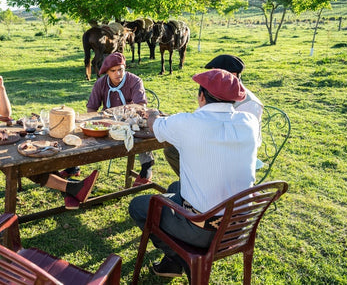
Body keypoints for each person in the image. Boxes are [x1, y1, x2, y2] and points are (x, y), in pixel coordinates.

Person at [129, 69, 260, 279]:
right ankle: (173, 263)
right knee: (174, 188)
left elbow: (155, 125)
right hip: (241, 225)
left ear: (201, 96)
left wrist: (153, 113)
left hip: (204, 230)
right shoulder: (250, 123)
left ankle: (183, 260)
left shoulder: (187, 123)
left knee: (137, 206)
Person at [0, 52, 98, 210]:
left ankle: (71, 189)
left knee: (30, 148)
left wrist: (0, 88)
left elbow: (5, 113)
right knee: (19, 157)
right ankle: (71, 189)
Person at [163, 54, 264, 176]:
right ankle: (193, 182)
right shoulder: (215, 93)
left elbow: (237, 138)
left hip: (233, 153)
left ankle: (198, 183)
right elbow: (203, 116)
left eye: (215, 75)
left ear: (232, 76)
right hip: (216, 142)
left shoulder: (250, 103)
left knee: (180, 149)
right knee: (172, 149)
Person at [86, 52, 154, 186]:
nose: (118, 74)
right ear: (107, 72)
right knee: (86, 132)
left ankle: (147, 167)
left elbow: (141, 106)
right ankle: (73, 167)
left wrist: (128, 113)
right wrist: (95, 123)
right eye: (113, 71)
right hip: (108, 123)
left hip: (131, 120)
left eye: (120, 70)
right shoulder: (100, 83)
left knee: (140, 131)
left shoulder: (134, 81)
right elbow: (91, 109)